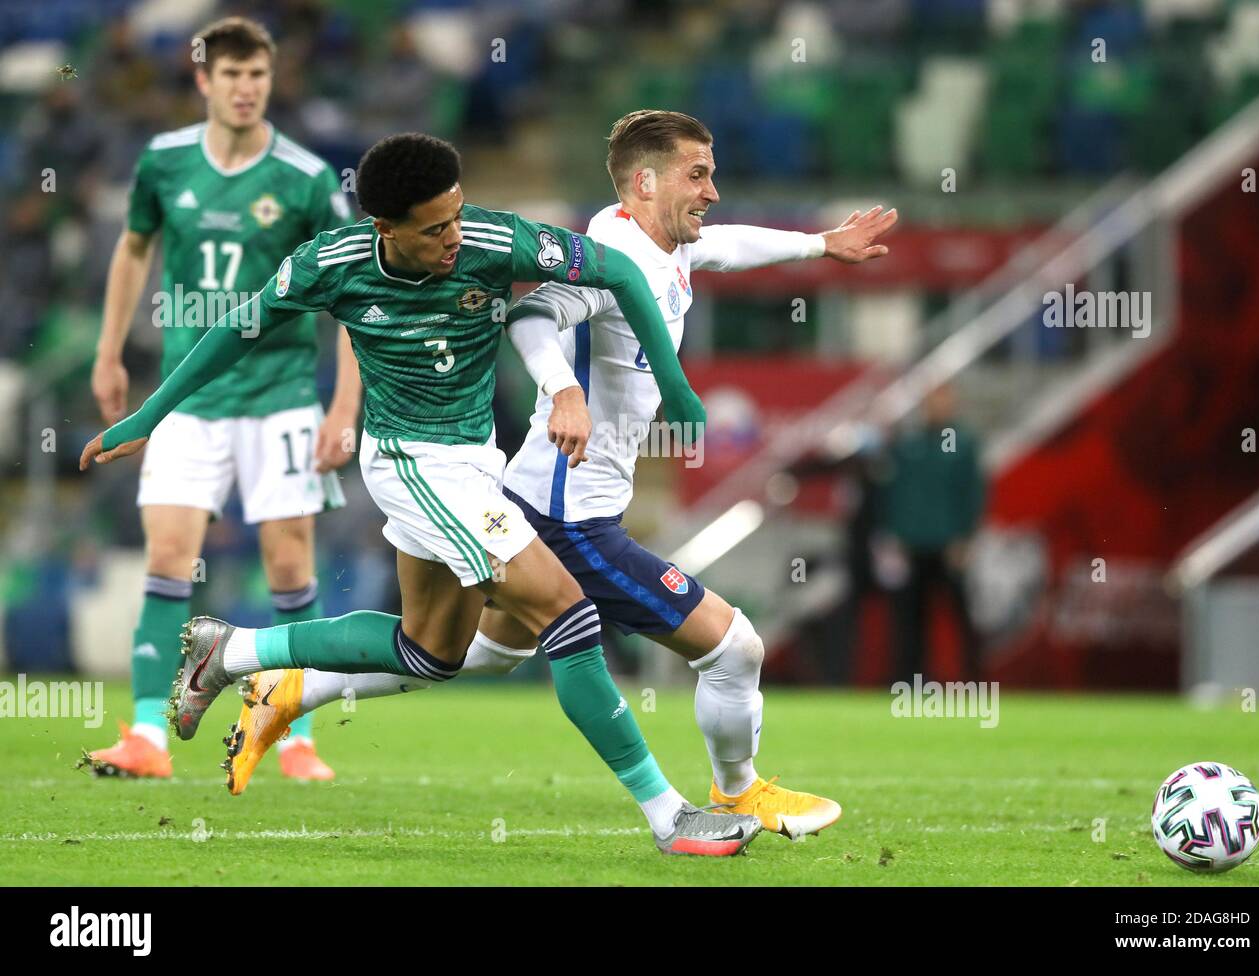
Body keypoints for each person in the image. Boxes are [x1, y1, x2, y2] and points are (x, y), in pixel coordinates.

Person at [80, 132, 763, 857]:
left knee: (430, 651)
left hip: (474, 460)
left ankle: (235, 649)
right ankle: (670, 817)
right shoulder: (330, 264)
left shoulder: (499, 240)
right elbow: (236, 329)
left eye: (458, 215)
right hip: (409, 461)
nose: (453, 237)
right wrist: (149, 415)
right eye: (435, 228)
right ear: (386, 228)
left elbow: (621, 272)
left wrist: (678, 386)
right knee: (566, 611)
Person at [228, 110, 899, 839]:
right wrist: (566, 393)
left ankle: (287, 687)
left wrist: (819, 245)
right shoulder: (614, 256)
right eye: (697, 175)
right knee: (734, 647)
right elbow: (531, 318)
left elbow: (723, 247)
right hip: (567, 513)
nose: (711, 192)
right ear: (646, 181)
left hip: (547, 495)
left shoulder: (657, 241)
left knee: (462, 654)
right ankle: (735, 796)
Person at [87, 17, 358, 782]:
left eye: (258, 77)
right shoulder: (165, 162)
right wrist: (109, 352)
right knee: (168, 557)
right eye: (231, 76)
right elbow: (133, 248)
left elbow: (346, 295)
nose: (245, 89)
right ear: (204, 81)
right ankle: (147, 735)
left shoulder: (304, 178)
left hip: (279, 398)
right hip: (189, 400)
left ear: (271, 82)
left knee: (288, 566)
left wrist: (342, 407)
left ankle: (296, 736)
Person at [879, 383, 985, 682]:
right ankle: (910, 682)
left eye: (942, 400)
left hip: (948, 544)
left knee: (962, 616)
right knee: (910, 621)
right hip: (912, 545)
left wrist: (965, 537)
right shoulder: (908, 443)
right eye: (931, 401)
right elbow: (894, 493)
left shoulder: (962, 444)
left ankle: (973, 679)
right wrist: (895, 535)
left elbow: (972, 493)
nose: (936, 407)